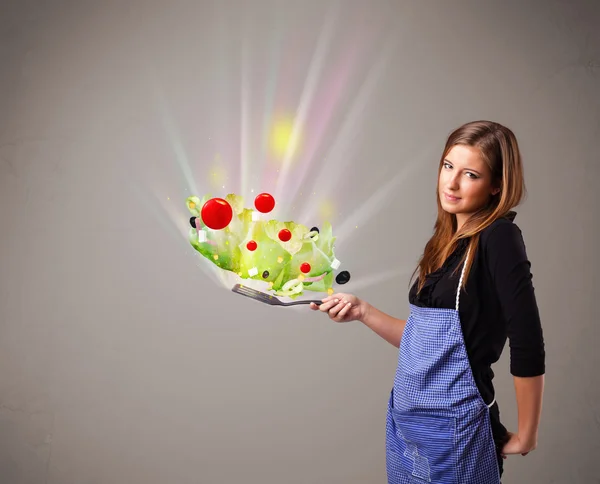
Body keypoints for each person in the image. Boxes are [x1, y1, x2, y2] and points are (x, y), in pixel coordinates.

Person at [310, 120, 545, 483]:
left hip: (457, 431)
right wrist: (363, 312)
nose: (451, 183)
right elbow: (428, 344)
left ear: (497, 185)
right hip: (409, 429)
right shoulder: (446, 241)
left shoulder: (499, 237)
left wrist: (527, 435)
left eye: (470, 174)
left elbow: (527, 339)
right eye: (448, 166)